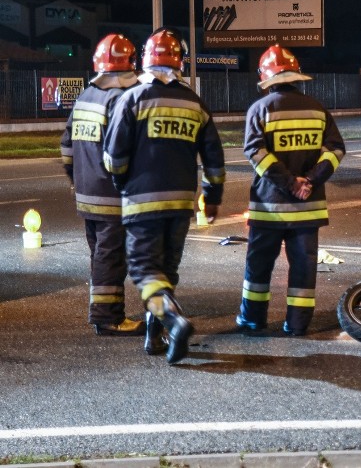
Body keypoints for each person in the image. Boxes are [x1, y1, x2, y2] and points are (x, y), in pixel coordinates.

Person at [103, 28, 226, 364]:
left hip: (142, 202)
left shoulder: (133, 98)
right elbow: (214, 158)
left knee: (145, 272)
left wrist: (121, 183)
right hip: (182, 203)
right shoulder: (195, 103)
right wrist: (212, 197)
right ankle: (154, 336)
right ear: (180, 64)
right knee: (166, 271)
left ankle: (173, 320)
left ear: (145, 61)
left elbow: (114, 156)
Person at [236, 45, 345, 337]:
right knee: (303, 268)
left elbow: (255, 153)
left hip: (269, 207)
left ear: (266, 77)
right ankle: (297, 324)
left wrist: (288, 182)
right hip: (307, 207)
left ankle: (252, 320)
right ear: (296, 76)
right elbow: (335, 150)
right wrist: (309, 181)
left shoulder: (260, 109)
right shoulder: (318, 109)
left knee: (258, 267)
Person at [60, 34, 144, 336]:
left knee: (100, 255)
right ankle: (108, 318)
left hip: (87, 195)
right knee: (110, 257)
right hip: (113, 195)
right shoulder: (125, 99)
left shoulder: (85, 97)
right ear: (130, 63)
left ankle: (104, 311)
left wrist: (77, 180)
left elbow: (67, 146)